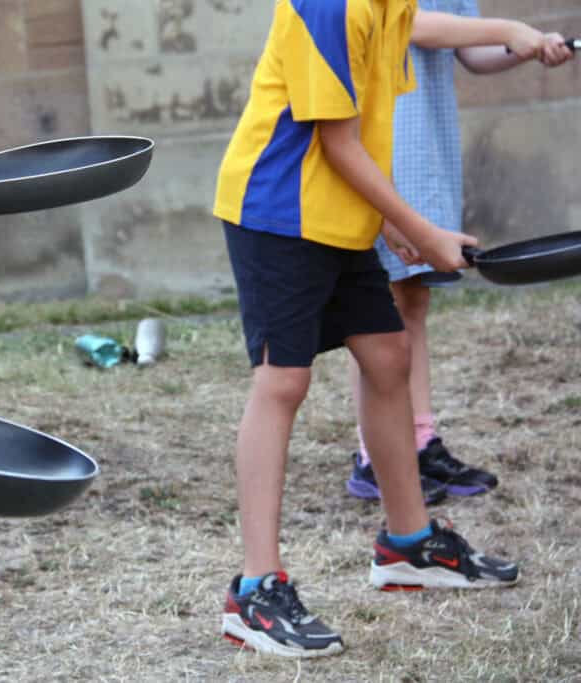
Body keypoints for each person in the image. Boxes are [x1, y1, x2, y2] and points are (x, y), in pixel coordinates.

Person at [210, 1, 550, 658]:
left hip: (338, 211)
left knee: (389, 353)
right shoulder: (327, 5)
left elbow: (374, 111)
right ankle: (254, 592)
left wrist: (398, 227)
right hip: (277, 209)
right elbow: (335, 140)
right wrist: (420, 228)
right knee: (283, 380)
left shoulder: (387, 4)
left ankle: (408, 544)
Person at [346, 3, 575, 504]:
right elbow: (408, 25)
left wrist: (528, 46)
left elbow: (470, 51)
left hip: (427, 140)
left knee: (413, 300)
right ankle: (375, 454)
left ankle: (419, 440)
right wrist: (509, 28)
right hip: (383, 136)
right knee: (381, 304)